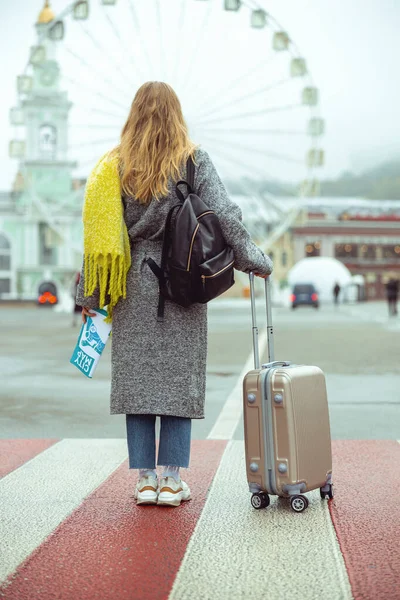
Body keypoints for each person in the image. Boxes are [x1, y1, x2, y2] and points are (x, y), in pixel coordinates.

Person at [75, 82, 273, 508]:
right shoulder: (193, 159)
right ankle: (170, 480)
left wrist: (90, 297)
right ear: (176, 114)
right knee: (178, 382)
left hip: (131, 284)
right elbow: (224, 216)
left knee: (138, 383)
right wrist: (253, 258)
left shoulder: (113, 166)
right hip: (183, 279)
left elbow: (100, 236)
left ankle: (144, 479)